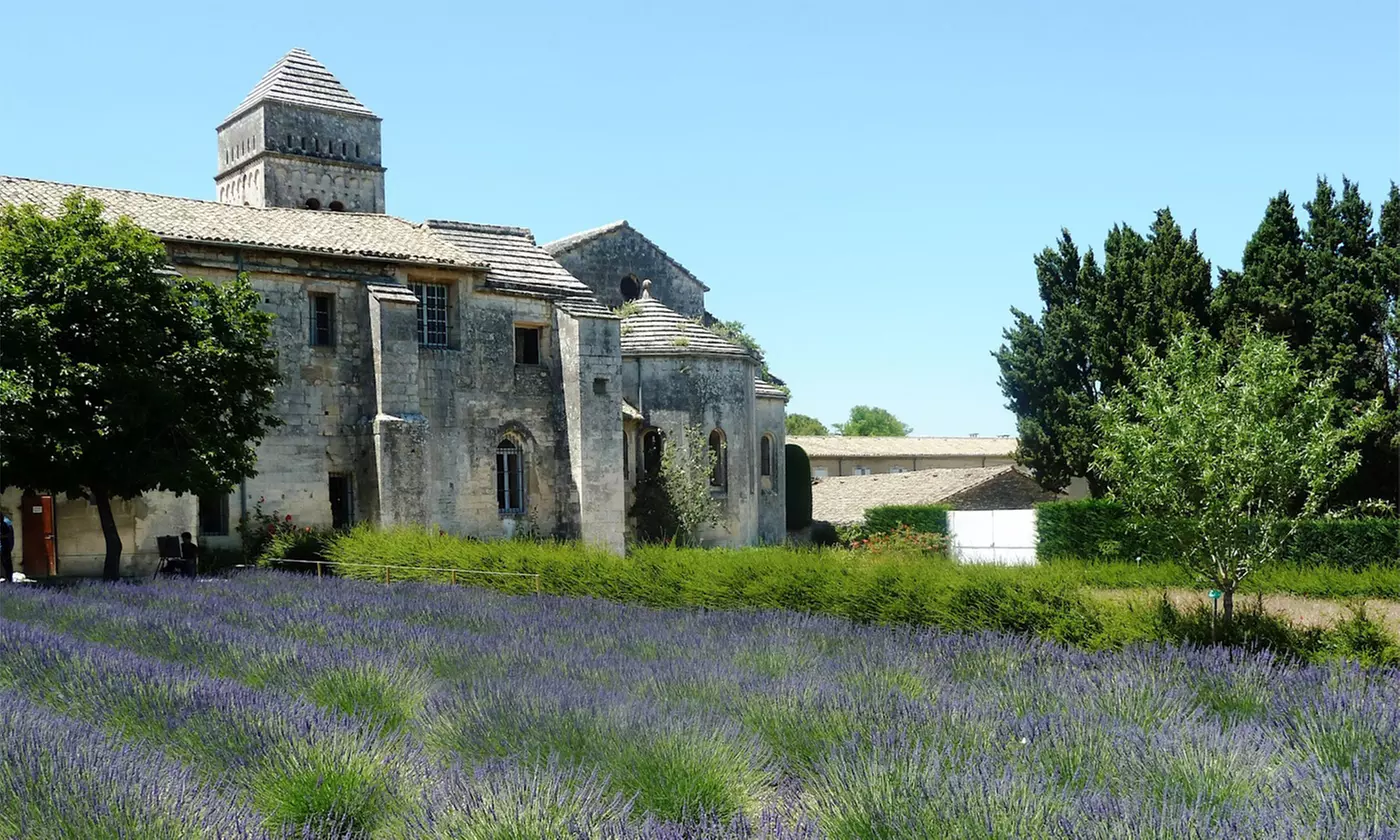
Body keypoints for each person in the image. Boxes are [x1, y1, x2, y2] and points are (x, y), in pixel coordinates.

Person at [0, 510, 13, 583]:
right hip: (4, 546)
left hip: (5, 546)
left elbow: (8, 535)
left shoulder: (5, 523)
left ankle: (8, 579)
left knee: (6, 563)